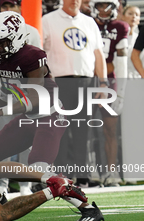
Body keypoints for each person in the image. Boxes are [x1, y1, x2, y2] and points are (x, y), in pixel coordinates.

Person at [0, 11, 104, 221]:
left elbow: (36, 96)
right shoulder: (2, 58)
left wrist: (2, 112)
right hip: (29, 118)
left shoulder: (32, 55)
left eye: (1, 42)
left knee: (39, 170)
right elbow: (6, 91)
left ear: (16, 38)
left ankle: (88, 208)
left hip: (50, 116)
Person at [0, 0, 42, 197]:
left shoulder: (31, 32)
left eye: (12, 6)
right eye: (4, 7)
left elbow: (36, 66)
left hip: (26, 90)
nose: (8, 10)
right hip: (3, 89)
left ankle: (25, 184)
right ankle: (1, 185)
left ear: (20, 8)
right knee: (1, 138)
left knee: (27, 137)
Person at [42, 0, 107, 187]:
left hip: (85, 81)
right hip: (58, 82)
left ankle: (83, 176)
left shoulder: (89, 22)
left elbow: (98, 54)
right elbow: (40, 52)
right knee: (59, 131)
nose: (74, 1)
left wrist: (102, 83)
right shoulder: (48, 20)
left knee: (83, 130)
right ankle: (62, 175)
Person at [90, 0, 129, 186]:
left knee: (110, 130)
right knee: (84, 129)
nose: (103, 10)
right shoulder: (85, 22)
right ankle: (89, 170)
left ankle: (112, 172)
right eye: (100, 5)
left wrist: (120, 92)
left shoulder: (120, 27)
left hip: (110, 82)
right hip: (87, 81)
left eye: (107, 5)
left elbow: (121, 61)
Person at [121, 5, 144, 78]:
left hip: (137, 78)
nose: (134, 17)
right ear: (123, 17)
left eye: (137, 15)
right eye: (130, 14)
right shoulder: (117, 38)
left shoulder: (141, 40)